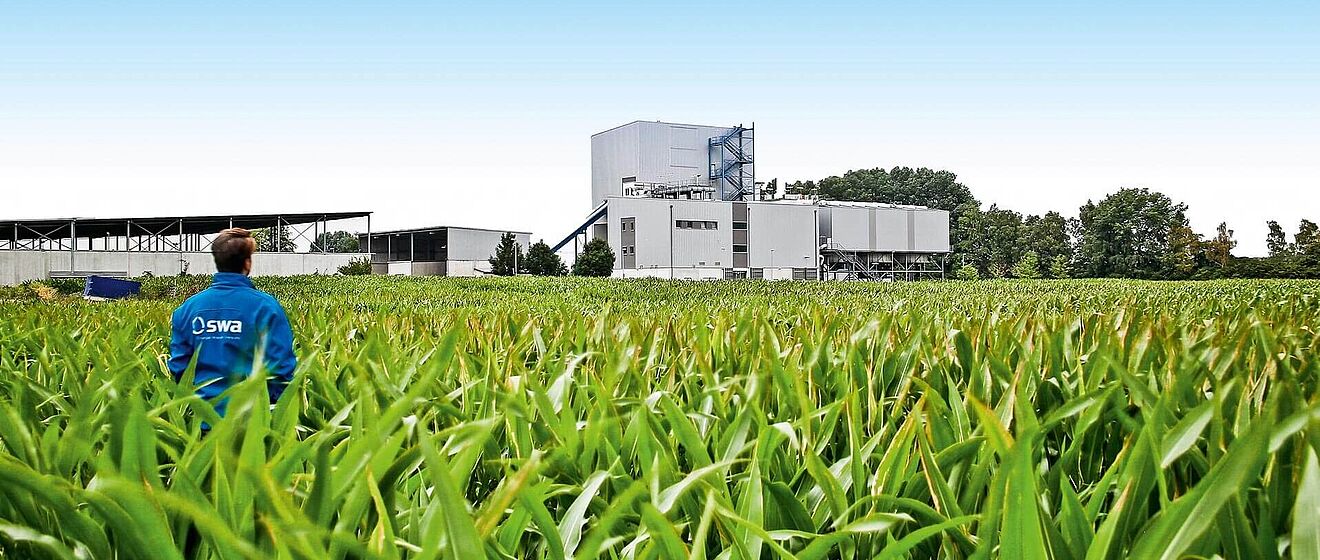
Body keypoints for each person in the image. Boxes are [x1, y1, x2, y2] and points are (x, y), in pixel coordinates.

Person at [169, 228, 296, 417]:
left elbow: (179, 368)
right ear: (247, 263)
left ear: (217, 261)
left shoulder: (187, 309)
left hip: (201, 422)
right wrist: (267, 404)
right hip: (253, 422)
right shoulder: (266, 307)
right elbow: (282, 367)